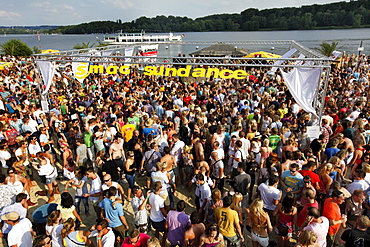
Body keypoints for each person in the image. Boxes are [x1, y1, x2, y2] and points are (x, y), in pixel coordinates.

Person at [148, 181, 167, 245]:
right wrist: (167, 217)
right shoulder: (160, 200)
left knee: (156, 229)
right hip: (159, 219)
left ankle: (157, 239)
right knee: (166, 231)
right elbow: (163, 211)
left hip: (152, 217)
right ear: (159, 189)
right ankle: (163, 243)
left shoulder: (150, 195)